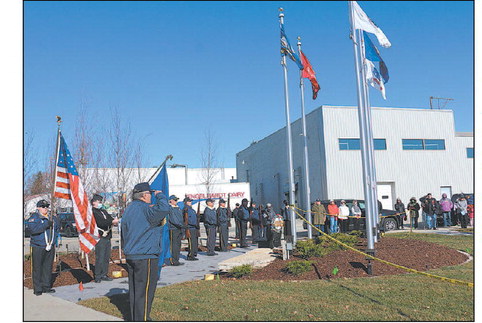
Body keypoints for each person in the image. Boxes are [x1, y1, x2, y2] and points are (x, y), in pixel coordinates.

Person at [121, 182, 169, 321]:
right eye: (150, 194)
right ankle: (142, 319)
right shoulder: (145, 209)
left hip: (132, 254)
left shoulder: (129, 209)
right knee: (146, 291)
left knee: (135, 291)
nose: (151, 197)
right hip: (145, 255)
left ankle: (137, 317)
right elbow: (164, 209)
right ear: (144, 195)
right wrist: (160, 196)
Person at [26, 199, 59, 296]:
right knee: (37, 267)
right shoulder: (34, 217)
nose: (46, 209)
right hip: (38, 246)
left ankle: (46, 286)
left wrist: (54, 241)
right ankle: (38, 288)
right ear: (38, 208)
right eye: (43, 207)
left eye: (47, 207)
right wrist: (45, 225)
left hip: (49, 246)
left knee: (48, 267)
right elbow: (33, 230)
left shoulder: (52, 218)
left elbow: (56, 229)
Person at [92, 194, 119, 283]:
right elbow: (101, 222)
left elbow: (109, 219)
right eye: (99, 202)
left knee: (106, 257)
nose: (100, 203)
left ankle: (104, 273)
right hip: (100, 236)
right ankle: (98, 275)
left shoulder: (103, 211)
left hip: (107, 236)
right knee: (100, 257)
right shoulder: (93, 212)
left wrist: (114, 221)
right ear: (94, 202)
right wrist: (111, 221)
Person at [167, 195, 184, 266]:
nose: (176, 201)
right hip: (173, 228)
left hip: (179, 228)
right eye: (174, 200)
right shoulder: (170, 208)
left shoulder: (178, 208)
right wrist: (180, 224)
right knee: (173, 245)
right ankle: (173, 260)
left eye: (176, 200)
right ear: (170, 200)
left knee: (178, 245)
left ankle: (177, 259)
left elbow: (181, 218)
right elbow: (173, 219)